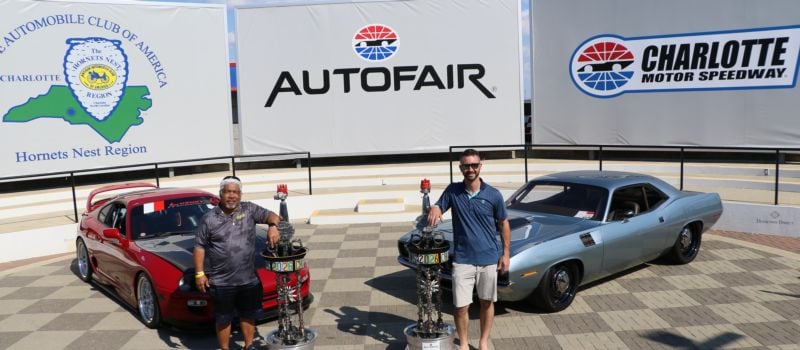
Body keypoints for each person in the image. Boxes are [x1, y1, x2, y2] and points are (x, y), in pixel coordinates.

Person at [427, 149, 510, 350]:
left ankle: (483, 342)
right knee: (460, 307)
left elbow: (503, 223)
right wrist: (436, 208)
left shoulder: (493, 194)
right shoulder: (453, 191)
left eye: (474, 165)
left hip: (489, 258)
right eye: (466, 166)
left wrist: (506, 254)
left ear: (480, 166)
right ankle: (463, 343)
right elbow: (440, 205)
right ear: (460, 168)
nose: (470, 169)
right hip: (463, 260)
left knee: (487, 303)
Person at [194, 175, 281, 350]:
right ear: (221, 194)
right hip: (221, 281)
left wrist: (273, 226)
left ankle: (249, 345)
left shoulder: (249, 210)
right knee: (223, 318)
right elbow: (199, 247)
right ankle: (225, 348)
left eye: (235, 192)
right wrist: (199, 273)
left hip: (248, 278)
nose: (231, 196)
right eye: (228, 192)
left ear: (240, 195)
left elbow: (274, 216)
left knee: (248, 315)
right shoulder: (209, 218)